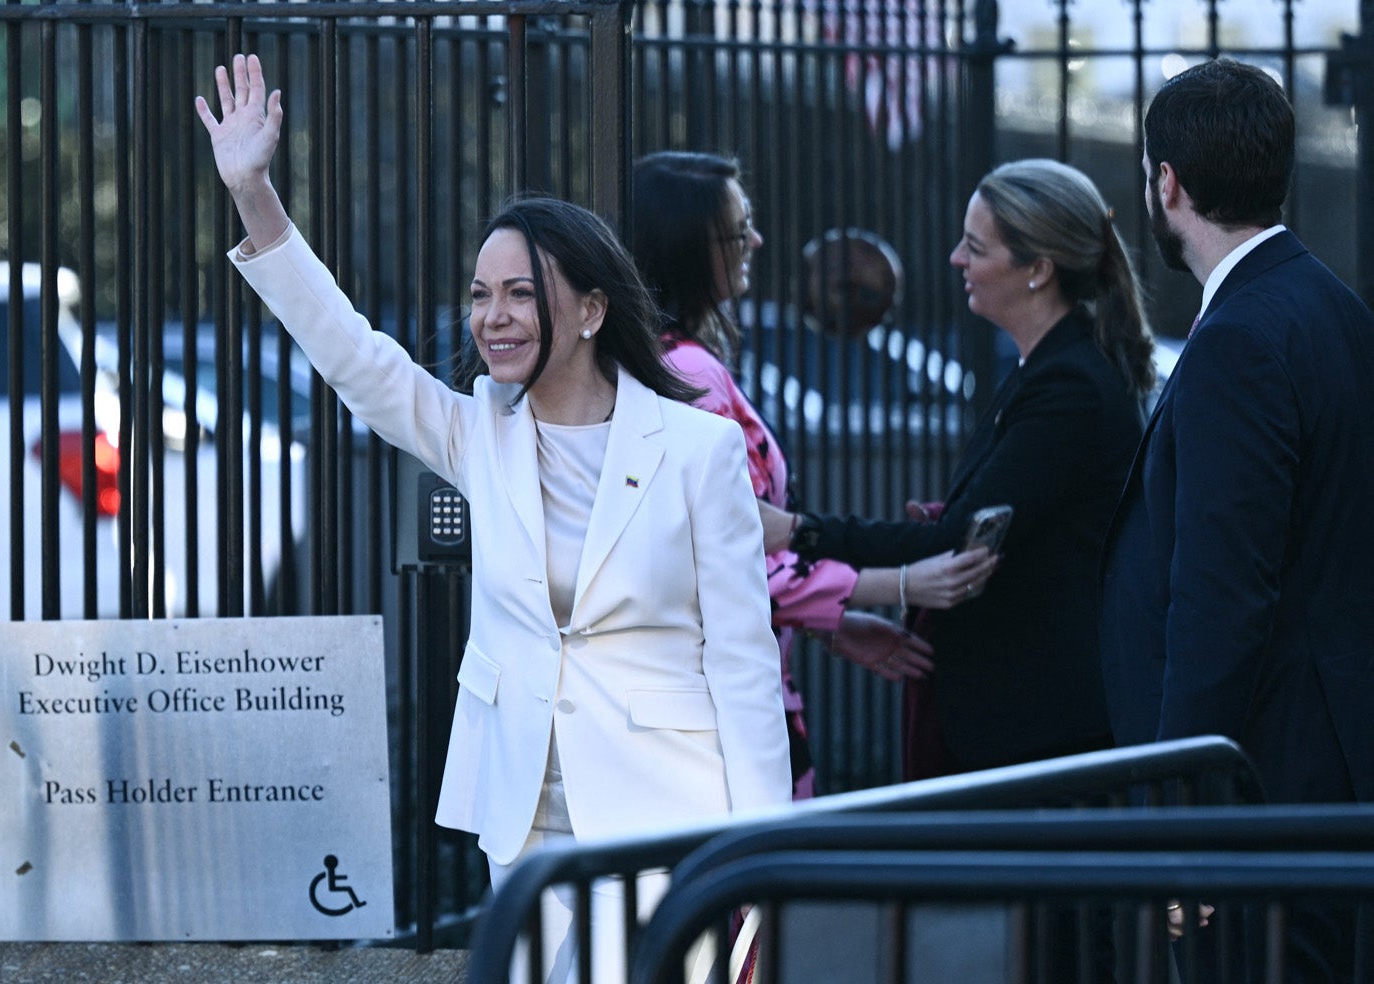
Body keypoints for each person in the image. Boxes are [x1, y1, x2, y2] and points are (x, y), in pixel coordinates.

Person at [196, 55, 790, 984]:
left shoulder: (696, 450)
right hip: (522, 816)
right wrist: (256, 196)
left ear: (593, 309)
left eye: (520, 293)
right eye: (481, 294)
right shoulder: (483, 436)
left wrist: (760, 855)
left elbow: (746, 669)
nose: (493, 317)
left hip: (667, 817)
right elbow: (357, 358)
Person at [1101, 56, 1374, 982]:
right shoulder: (1332, 309)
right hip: (1315, 773)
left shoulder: (1241, 341)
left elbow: (1223, 597)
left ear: (1167, 184)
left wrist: (1190, 817)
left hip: (1261, 786)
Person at [769, 158, 1156, 786]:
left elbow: (952, 546)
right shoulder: (1050, 368)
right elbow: (994, 521)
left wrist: (795, 530)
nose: (955, 259)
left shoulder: (1070, 385)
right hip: (1018, 712)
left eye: (975, 247)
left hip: (1038, 727)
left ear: (1037, 269)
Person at [631, 150, 997, 799]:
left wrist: (830, 620)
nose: (757, 242)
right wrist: (903, 583)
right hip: (723, 711)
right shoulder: (689, 376)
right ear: (687, 245)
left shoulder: (667, 363)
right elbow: (727, 558)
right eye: (739, 230)